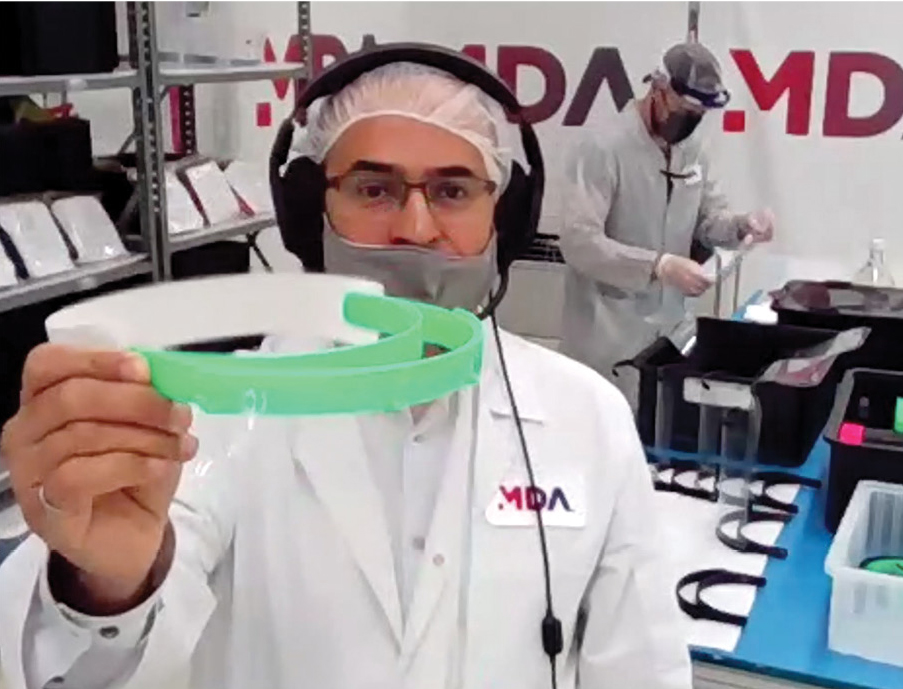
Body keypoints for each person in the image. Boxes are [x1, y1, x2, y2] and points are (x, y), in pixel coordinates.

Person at [0, 46, 692, 689]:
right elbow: (92, 656)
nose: (416, 229)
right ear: (311, 215)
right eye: (374, 189)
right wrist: (104, 585)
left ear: (501, 221)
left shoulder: (587, 419)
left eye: (452, 192)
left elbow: (641, 668)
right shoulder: (211, 415)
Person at [559, 42, 775, 406]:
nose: (690, 121)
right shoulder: (603, 147)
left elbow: (708, 220)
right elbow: (579, 242)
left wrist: (741, 225)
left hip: (671, 333)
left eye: (700, 114)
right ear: (657, 89)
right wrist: (658, 266)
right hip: (607, 336)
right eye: (684, 109)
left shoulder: (692, 149)